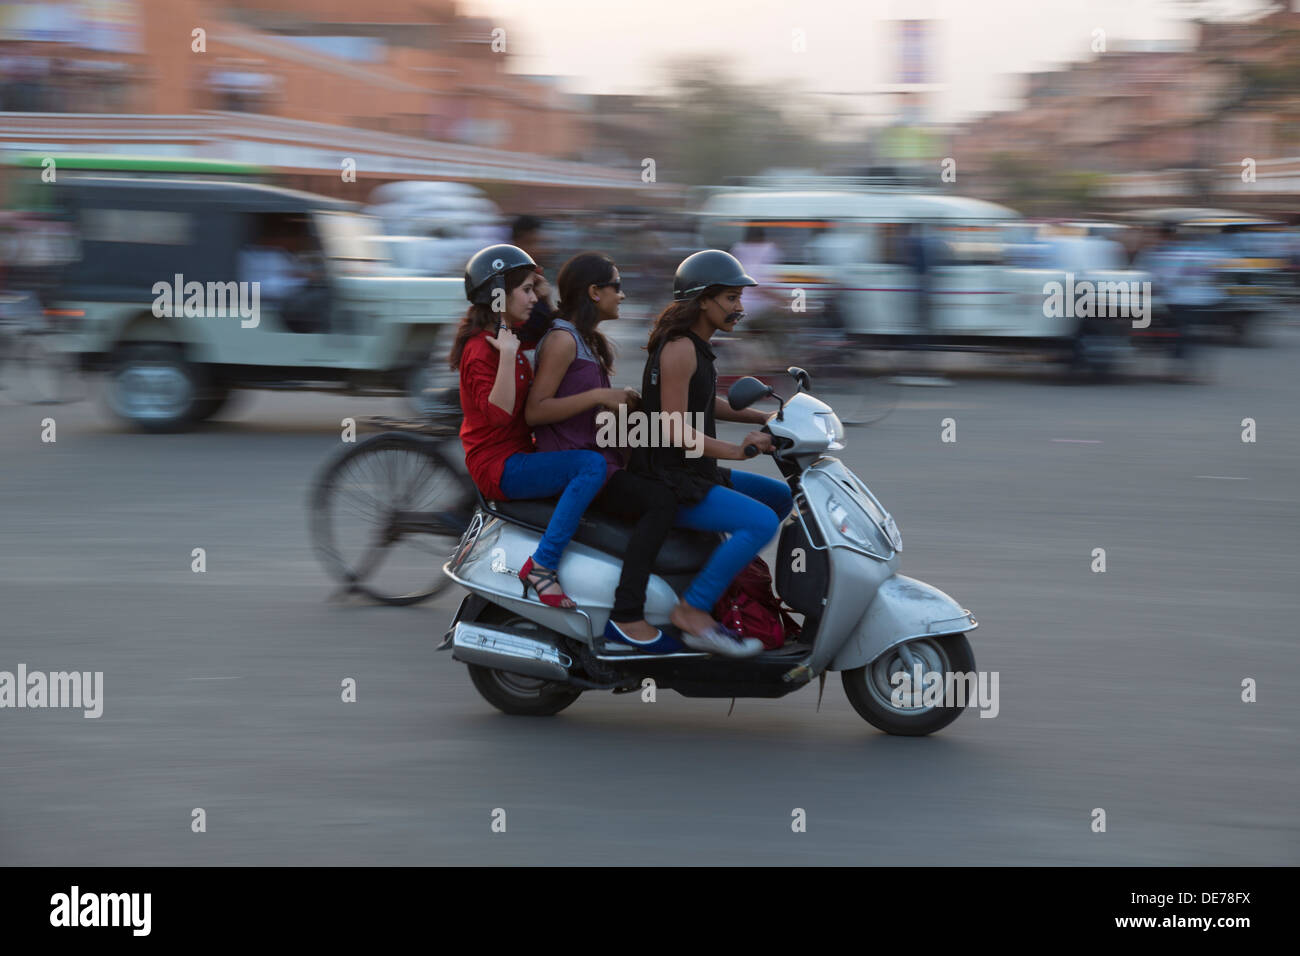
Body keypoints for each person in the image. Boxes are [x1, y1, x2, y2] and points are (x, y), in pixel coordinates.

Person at [632, 250, 794, 658]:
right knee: (759, 523)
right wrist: (736, 451)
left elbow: (701, 404)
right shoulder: (681, 349)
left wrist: (766, 416)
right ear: (703, 300)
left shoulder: (697, 345)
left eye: (740, 299)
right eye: (731, 299)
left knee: (779, 498)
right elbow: (672, 426)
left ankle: (722, 574)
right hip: (672, 480)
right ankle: (693, 609)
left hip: (695, 471)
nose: (740, 308)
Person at [526, 252, 682, 653]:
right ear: (594, 292)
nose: (623, 295)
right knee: (662, 501)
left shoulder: (588, 341)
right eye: (616, 285)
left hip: (604, 457)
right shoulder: (563, 340)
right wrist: (599, 395)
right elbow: (535, 411)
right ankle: (627, 615)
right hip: (580, 464)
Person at [449, 243, 607, 608]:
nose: (533, 297)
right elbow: (501, 414)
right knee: (590, 465)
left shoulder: (511, 334)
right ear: (498, 296)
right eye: (525, 289)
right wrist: (506, 356)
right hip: (498, 466)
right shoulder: (482, 349)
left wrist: (546, 294)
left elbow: (557, 331)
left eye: (533, 288)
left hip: (520, 453)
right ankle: (542, 566)